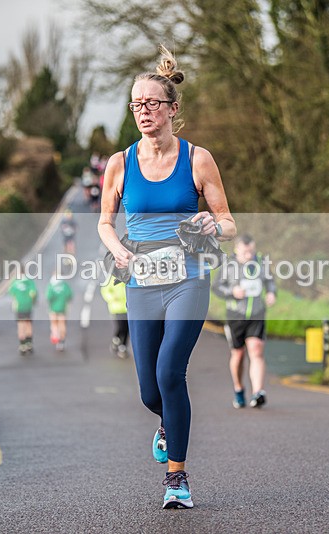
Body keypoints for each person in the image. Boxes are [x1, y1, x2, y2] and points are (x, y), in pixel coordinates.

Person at [97, 45, 236, 510]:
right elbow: (103, 222)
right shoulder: (119, 163)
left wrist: (213, 225)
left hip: (188, 278)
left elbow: (229, 222)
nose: (142, 111)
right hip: (141, 282)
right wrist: (118, 250)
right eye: (135, 104)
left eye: (151, 103)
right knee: (147, 390)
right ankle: (168, 422)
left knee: (169, 372)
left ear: (173, 109)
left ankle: (176, 478)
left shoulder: (198, 159)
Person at [211, 234, 277, 409]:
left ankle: (258, 392)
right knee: (238, 354)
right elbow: (216, 287)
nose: (250, 255)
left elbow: (270, 281)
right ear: (237, 249)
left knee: (256, 349)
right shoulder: (228, 265)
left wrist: (271, 293)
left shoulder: (261, 262)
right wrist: (233, 291)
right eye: (246, 252)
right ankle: (239, 389)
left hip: (257, 313)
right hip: (235, 316)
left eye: (252, 251)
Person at [9, 265, 38, 354]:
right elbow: (33, 293)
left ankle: (22, 346)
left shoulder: (15, 281)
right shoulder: (29, 281)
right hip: (28, 306)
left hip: (19, 306)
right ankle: (29, 344)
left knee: (21, 325)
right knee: (28, 324)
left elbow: (11, 292)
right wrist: (33, 301)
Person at [100, 276, 130, 358]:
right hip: (116, 307)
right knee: (121, 327)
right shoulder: (112, 278)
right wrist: (112, 298)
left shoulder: (129, 277)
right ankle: (116, 339)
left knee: (127, 328)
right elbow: (105, 290)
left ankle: (122, 347)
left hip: (128, 308)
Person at [46, 265, 73, 352]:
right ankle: (61, 342)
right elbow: (69, 296)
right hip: (62, 307)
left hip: (53, 308)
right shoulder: (65, 285)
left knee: (54, 323)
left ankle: (55, 336)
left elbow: (49, 297)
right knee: (62, 324)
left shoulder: (51, 285)